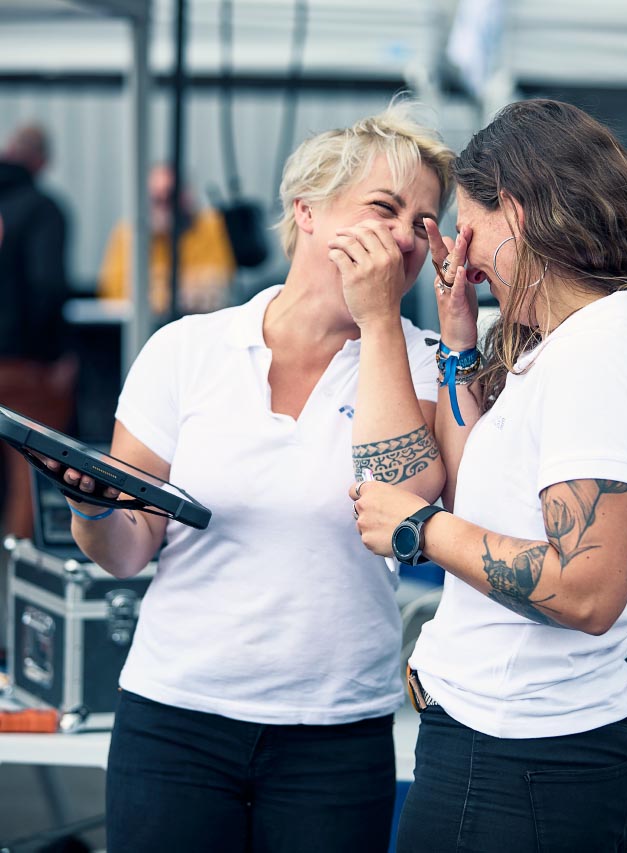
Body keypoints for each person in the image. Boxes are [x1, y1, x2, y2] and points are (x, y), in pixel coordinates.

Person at [53, 101, 456, 852]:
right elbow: (130, 550)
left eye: (423, 221)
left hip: (336, 732)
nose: (405, 236)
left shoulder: (428, 361)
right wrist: (93, 510)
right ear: (306, 209)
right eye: (384, 207)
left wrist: (377, 323)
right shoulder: (186, 350)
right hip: (175, 720)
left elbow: (401, 506)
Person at [351, 99, 627, 853]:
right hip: (507, 749)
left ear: (520, 214)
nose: (463, 261)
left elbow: (588, 589)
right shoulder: (564, 343)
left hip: (520, 762)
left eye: (471, 233)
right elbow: (479, 488)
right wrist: (459, 341)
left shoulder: (597, 353)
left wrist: (419, 528)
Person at [0, 123, 74, 540]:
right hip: (23, 365)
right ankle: (19, 564)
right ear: (43, 161)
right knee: (30, 469)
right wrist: (58, 355)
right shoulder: (42, 209)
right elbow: (47, 286)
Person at [98, 163, 237, 316]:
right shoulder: (130, 234)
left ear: (187, 194)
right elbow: (114, 294)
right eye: (156, 199)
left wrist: (156, 287)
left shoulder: (214, 226)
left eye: (170, 197)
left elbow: (218, 287)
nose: (163, 206)